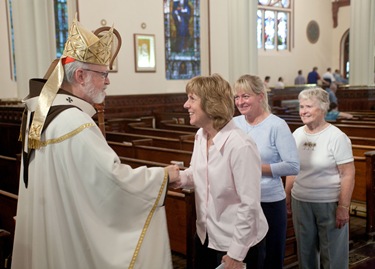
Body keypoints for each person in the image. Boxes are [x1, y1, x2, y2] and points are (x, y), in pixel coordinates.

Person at [11, 17, 180, 269]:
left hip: (50, 224)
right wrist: (162, 177)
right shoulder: (75, 123)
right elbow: (112, 182)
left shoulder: (39, 113)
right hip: (67, 235)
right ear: (80, 75)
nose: (108, 81)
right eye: (103, 74)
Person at [171, 74, 268, 269]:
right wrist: (176, 178)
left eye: (192, 98)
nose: (185, 105)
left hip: (237, 242)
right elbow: (197, 173)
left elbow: (249, 205)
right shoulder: (201, 135)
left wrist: (236, 254)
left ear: (211, 103)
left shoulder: (240, 145)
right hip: (206, 234)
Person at [233, 74, 300, 269]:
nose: (240, 102)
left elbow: (293, 166)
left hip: (269, 201)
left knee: (270, 258)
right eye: (236, 97)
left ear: (260, 96)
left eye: (245, 96)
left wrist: (256, 168)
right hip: (241, 201)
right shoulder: (235, 123)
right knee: (247, 258)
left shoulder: (277, 125)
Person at [285, 87, 355, 269]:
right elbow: (293, 168)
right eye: (301, 106)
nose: (303, 111)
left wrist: (343, 206)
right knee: (305, 255)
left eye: (308, 106)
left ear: (323, 108)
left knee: (333, 257)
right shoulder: (297, 134)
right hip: (300, 201)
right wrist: (287, 195)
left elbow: (347, 174)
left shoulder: (337, 137)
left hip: (329, 203)